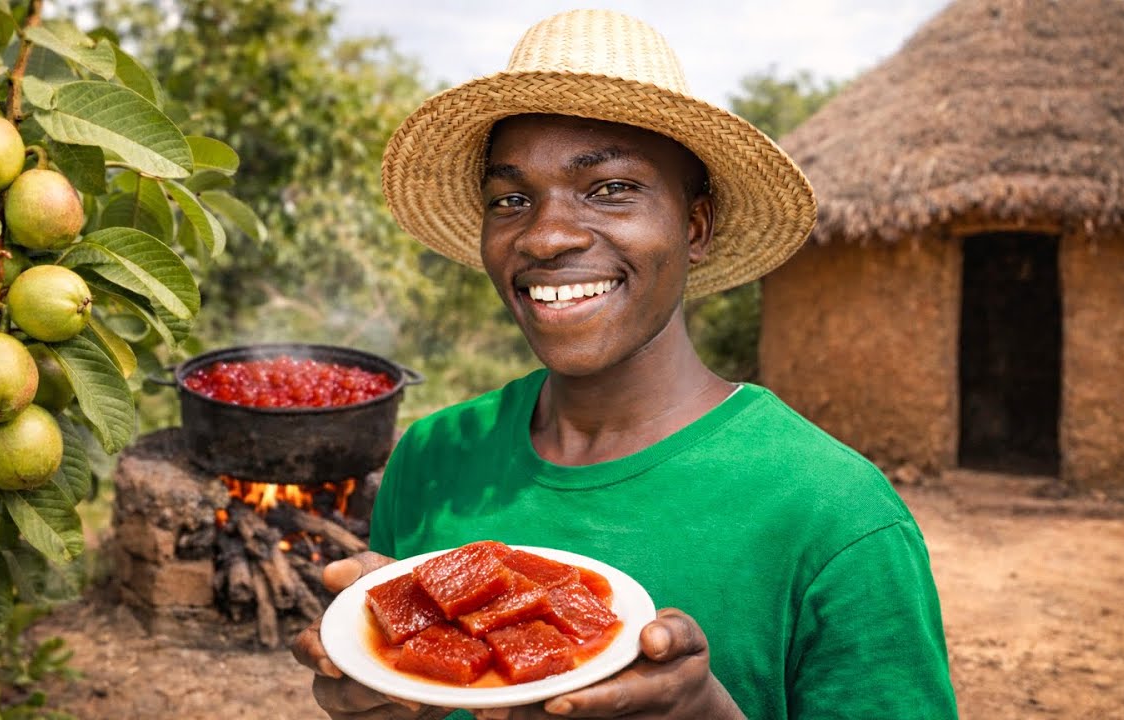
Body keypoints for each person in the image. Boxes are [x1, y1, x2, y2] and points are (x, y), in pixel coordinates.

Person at [294, 9, 958, 720]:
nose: (545, 236)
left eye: (611, 188)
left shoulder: (835, 515)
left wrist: (707, 712)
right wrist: (381, 689)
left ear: (694, 227)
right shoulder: (434, 458)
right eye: (510, 199)